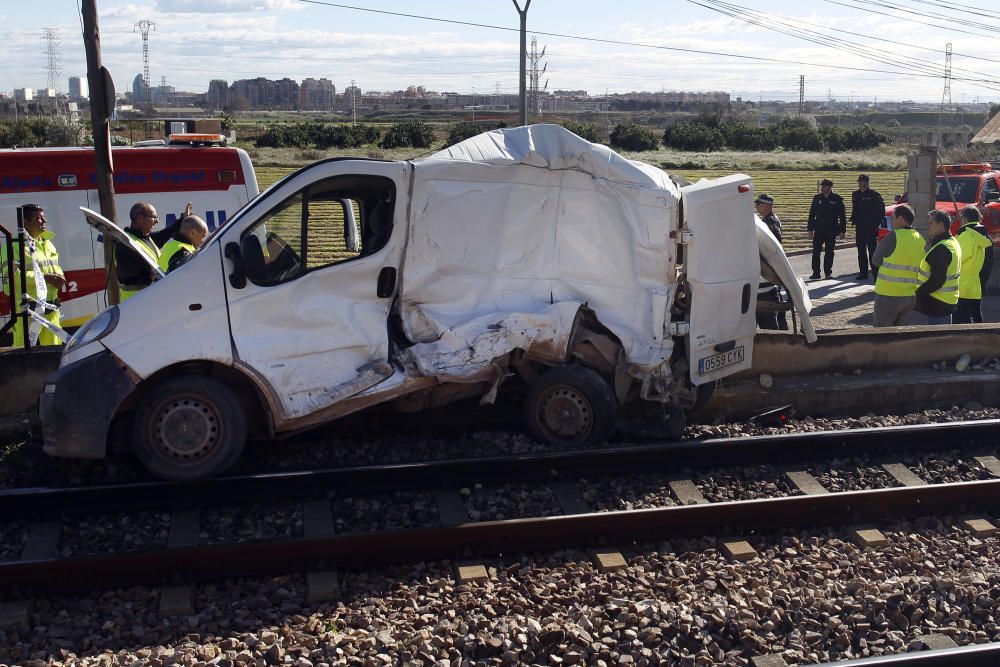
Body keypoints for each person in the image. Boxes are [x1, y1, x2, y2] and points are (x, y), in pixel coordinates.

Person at [1, 204, 66, 347]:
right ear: (26, 223)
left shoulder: (48, 244)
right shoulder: (13, 247)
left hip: (51, 309)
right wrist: (45, 278)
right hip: (27, 312)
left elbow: (56, 267)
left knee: (53, 354)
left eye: (43, 217)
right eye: (39, 218)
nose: (44, 221)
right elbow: (12, 278)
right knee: (24, 353)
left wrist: (61, 278)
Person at [115, 202, 185, 301]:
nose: (157, 221)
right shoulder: (127, 244)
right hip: (137, 303)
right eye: (154, 217)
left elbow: (163, 235)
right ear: (140, 219)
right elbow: (134, 276)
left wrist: (182, 221)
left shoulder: (143, 237)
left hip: (148, 298)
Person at [871, 204, 924, 327]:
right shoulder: (919, 238)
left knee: (882, 335)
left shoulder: (893, 236)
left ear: (900, 219)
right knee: (900, 334)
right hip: (909, 295)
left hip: (888, 294)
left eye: (893, 218)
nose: (892, 222)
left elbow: (876, 259)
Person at [915, 210, 962, 325]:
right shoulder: (952, 242)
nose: (927, 227)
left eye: (931, 223)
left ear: (941, 225)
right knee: (942, 338)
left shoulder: (942, 248)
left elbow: (937, 280)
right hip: (946, 301)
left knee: (937, 340)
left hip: (938, 303)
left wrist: (919, 292)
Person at [954, 206, 993, 324]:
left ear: (965, 219)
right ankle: (982, 342)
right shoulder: (985, 237)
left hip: (962, 286)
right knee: (977, 320)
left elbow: (957, 260)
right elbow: (989, 262)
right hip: (976, 286)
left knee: (960, 323)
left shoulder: (966, 236)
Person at [807, 178, 846, 280]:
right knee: (816, 251)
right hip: (819, 229)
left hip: (831, 229)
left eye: (826, 186)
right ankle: (816, 272)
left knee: (829, 251)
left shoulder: (836, 199)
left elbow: (842, 216)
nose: (824, 188)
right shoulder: (817, 198)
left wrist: (842, 231)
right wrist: (810, 229)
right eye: (823, 186)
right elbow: (812, 215)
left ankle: (828, 272)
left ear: (830, 187)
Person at [850, 174, 885, 280]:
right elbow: (855, 209)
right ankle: (863, 273)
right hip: (860, 227)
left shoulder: (874, 195)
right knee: (861, 251)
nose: (862, 184)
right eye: (860, 182)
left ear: (868, 183)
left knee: (872, 251)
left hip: (871, 227)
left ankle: (876, 274)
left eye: (864, 182)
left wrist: (876, 224)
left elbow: (881, 211)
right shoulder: (855, 194)